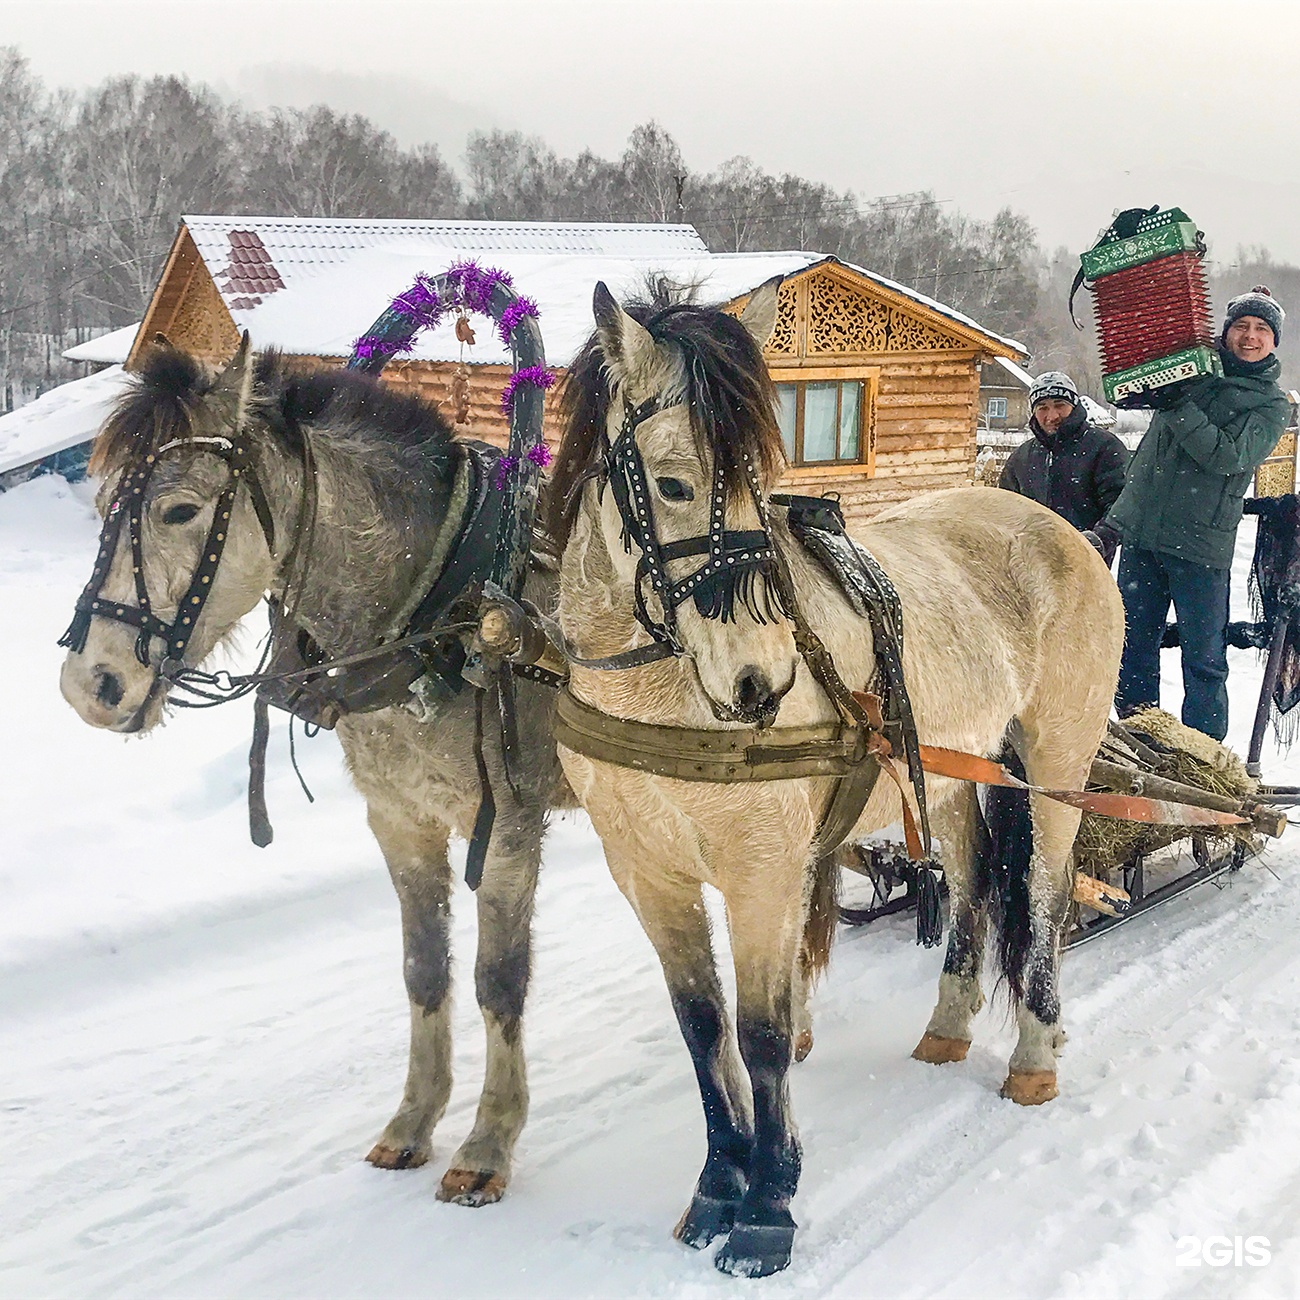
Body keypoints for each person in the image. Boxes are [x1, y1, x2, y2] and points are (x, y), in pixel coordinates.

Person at [1103, 286, 1291, 740]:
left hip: (1202, 546)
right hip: (1144, 538)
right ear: (1225, 334)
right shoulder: (1190, 376)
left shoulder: (1271, 404)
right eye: (1241, 326)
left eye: (1261, 329)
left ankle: (1201, 749)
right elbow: (1148, 457)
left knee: (1204, 656)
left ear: (1273, 341)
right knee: (1132, 645)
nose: (1249, 336)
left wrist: (1178, 407)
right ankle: (1137, 736)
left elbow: (1229, 456)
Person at [999, 370, 1129, 563]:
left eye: (1060, 405)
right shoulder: (1022, 457)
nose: (1052, 415)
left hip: (1088, 563)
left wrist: (1099, 539)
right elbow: (1004, 509)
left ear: (1074, 407)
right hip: (1032, 563)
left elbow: (1123, 505)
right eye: (1042, 407)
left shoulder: (1104, 447)